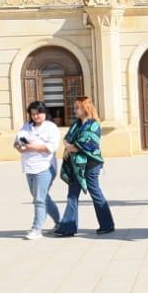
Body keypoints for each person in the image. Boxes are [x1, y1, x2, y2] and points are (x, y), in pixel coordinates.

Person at [54, 96, 115, 236]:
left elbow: (87, 144)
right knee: (72, 195)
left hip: (90, 164)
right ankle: (68, 227)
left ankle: (107, 224)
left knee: (95, 192)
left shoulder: (93, 124)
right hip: (75, 164)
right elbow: (66, 140)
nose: (74, 110)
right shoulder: (76, 124)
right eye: (74, 107)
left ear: (86, 108)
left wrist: (71, 146)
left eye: (77, 107)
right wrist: (70, 146)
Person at [13, 100, 62, 239]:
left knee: (39, 199)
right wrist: (19, 146)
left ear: (45, 113)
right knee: (42, 197)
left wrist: (30, 147)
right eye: (33, 114)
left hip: (45, 167)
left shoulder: (51, 128)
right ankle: (60, 223)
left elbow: (50, 147)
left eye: (39, 113)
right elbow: (17, 142)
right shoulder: (26, 127)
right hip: (29, 167)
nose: (36, 116)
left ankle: (36, 229)